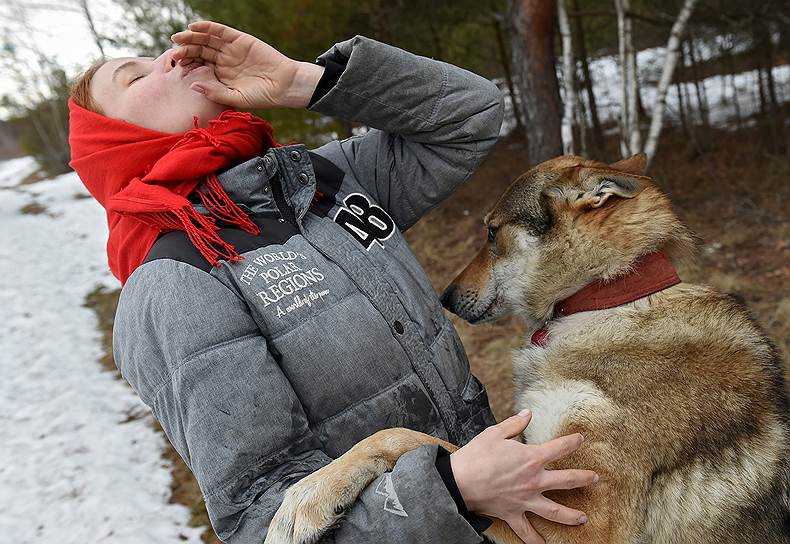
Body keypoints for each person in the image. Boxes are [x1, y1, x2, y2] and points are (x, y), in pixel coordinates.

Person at [67, 20, 598, 544]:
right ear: (114, 142)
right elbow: (264, 523)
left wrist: (300, 82)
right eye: (133, 78)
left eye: (153, 54)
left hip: (510, 510)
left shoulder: (315, 180)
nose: (170, 58)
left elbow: (469, 115)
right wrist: (452, 491)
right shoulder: (174, 283)